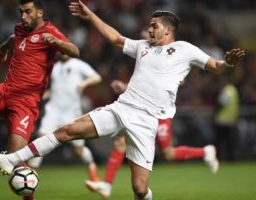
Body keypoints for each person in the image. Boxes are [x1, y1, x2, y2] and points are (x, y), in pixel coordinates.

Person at [0, 0, 245, 200]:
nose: (149, 29)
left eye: (154, 26)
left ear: (168, 30)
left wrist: (229, 63)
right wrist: (90, 15)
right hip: (122, 108)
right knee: (66, 130)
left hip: (147, 121)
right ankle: (12, 159)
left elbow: (217, 66)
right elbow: (115, 38)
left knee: (140, 190)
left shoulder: (185, 49)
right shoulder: (142, 47)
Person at [0, 0, 79, 200]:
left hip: (26, 104)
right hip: (5, 91)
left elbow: (75, 51)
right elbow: (15, 38)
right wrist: (3, 48)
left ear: (40, 12)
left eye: (28, 12)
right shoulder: (19, 29)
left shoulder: (50, 32)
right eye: (21, 12)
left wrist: (58, 42)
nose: (23, 16)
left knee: (14, 163)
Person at [85, 79, 219, 198]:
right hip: (142, 112)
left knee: (168, 154)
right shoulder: (148, 57)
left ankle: (205, 152)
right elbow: (143, 86)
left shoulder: (170, 60)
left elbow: (165, 83)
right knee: (121, 143)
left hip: (160, 115)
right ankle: (107, 184)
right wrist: (125, 86)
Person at [27, 54, 102, 181]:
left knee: (78, 149)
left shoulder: (78, 64)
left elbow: (97, 77)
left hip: (71, 113)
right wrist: (42, 96)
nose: (63, 53)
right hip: (53, 110)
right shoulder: (55, 68)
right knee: (41, 138)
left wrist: (85, 83)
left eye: (65, 50)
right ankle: (30, 177)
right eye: (61, 51)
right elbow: (55, 90)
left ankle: (91, 167)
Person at [213, 77, 239, 161]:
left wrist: (215, 111)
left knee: (219, 142)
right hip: (231, 120)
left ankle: (218, 159)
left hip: (222, 121)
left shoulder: (226, 91)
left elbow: (221, 103)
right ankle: (231, 159)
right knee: (229, 142)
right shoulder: (233, 90)